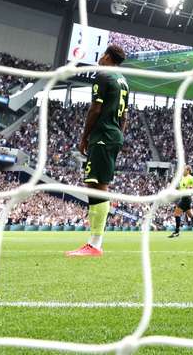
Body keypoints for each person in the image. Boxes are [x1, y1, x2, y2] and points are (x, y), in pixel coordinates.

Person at [66, 45, 130, 258]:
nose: (100, 58)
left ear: (108, 57)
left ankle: (95, 244)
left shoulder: (103, 76)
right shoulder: (123, 81)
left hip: (103, 135)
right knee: (94, 184)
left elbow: (95, 108)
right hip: (112, 135)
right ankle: (93, 242)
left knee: (98, 186)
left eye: (103, 55)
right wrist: (118, 137)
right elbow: (124, 117)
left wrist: (85, 137)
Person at [168, 166, 193, 238]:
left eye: (184, 170)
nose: (183, 171)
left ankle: (177, 231)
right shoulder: (183, 178)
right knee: (191, 215)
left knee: (176, 214)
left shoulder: (190, 178)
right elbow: (182, 188)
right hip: (184, 197)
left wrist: (191, 188)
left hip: (186, 198)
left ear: (188, 171)